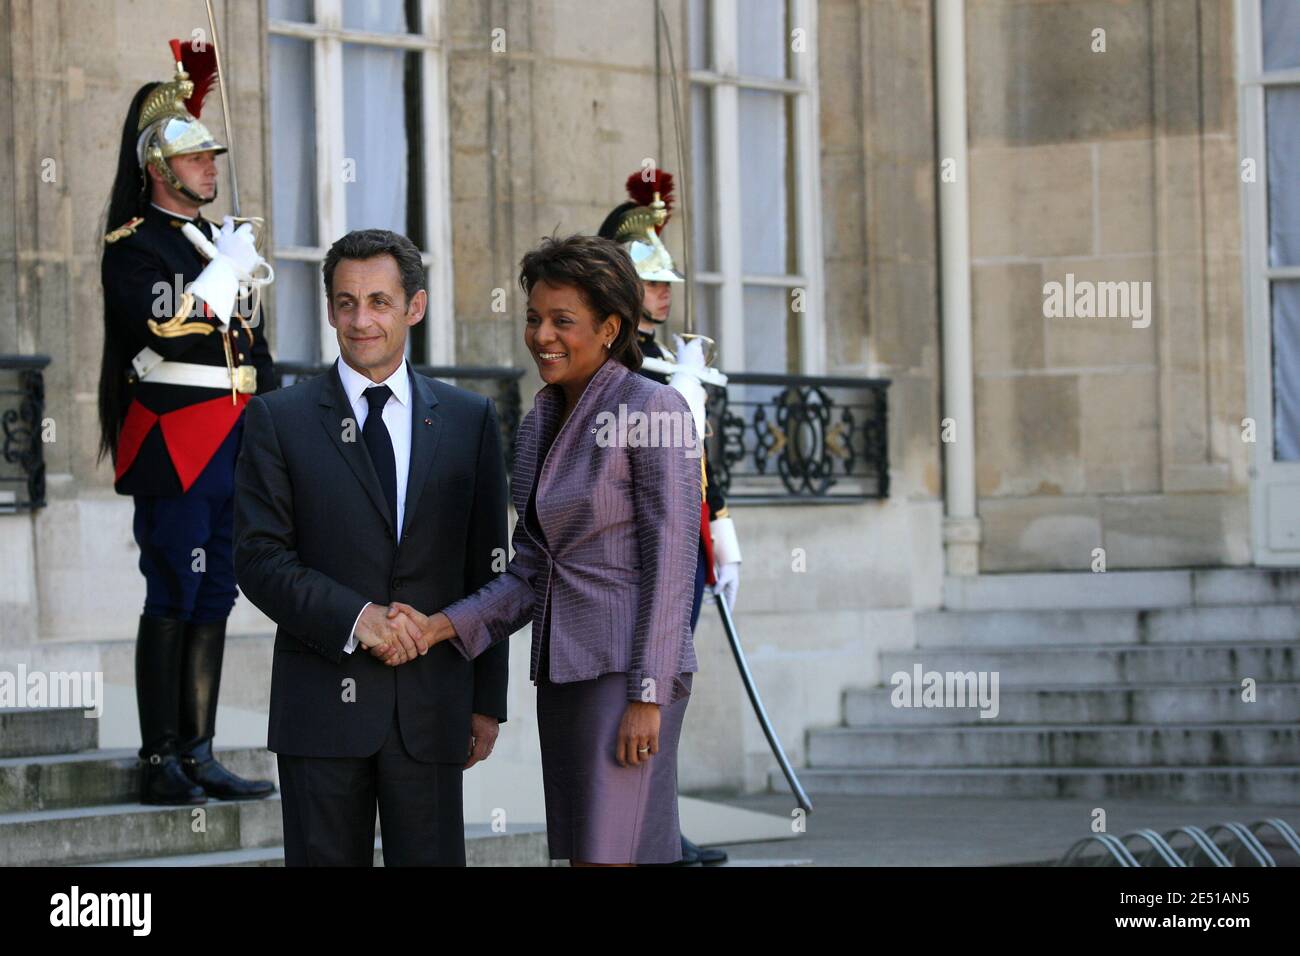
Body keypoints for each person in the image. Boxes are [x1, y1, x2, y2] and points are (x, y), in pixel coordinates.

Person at [387, 234, 703, 866]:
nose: (541, 336)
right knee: (591, 853)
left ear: (611, 327)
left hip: (625, 673)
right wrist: (437, 627)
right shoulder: (540, 417)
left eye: (564, 321)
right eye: (534, 318)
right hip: (564, 675)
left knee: (607, 855)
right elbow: (530, 571)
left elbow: (672, 566)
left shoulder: (654, 406)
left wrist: (648, 695)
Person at [233, 229, 510, 866]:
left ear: (415, 306)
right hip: (320, 712)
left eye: (380, 302)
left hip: (435, 706)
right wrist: (359, 619)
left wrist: (487, 701)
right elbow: (259, 557)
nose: (362, 320)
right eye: (347, 302)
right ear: (329, 309)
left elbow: (489, 569)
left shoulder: (470, 421)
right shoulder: (280, 419)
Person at [97, 39, 276, 805]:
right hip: (175, 436)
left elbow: (253, 352)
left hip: (232, 437)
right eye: (197, 158)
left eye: (210, 157)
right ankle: (157, 758)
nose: (211, 167)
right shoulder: (134, 246)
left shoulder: (215, 244)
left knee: (217, 591)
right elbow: (159, 326)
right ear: (159, 169)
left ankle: (198, 751)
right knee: (173, 584)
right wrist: (223, 273)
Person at [598, 168, 743, 864]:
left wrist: (722, 527)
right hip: (638, 549)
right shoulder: (616, 360)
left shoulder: (662, 356)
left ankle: (661, 827)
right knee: (643, 688)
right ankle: (643, 833)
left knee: (670, 688)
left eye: (665, 282)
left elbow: (702, 458)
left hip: (684, 541)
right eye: (650, 280)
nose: (663, 292)